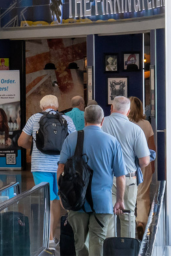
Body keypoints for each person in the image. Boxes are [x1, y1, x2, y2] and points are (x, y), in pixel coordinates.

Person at [58, 105, 126, 255]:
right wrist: (120, 200)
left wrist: (61, 194)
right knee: (98, 242)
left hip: (76, 200)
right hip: (102, 202)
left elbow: (61, 168)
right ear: (102, 121)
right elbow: (121, 176)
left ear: (84, 119)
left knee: (80, 243)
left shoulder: (71, 138)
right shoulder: (112, 142)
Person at [17, 95, 76, 245]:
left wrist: (33, 147)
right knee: (56, 200)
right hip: (60, 165)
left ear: (41, 106)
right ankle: (53, 234)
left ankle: (49, 237)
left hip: (40, 166)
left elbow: (21, 141)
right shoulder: (66, 119)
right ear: (56, 105)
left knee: (47, 199)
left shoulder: (34, 118)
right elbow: (74, 142)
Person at [102, 96, 150, 238]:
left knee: (108, 217)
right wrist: (135, 165)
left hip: (106, 179)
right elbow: (145, 160)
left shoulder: (101, 124)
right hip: (128, 178)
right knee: (128, 219)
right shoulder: (135, 129)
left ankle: (109, 250)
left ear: (111, 108)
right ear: (128, 111)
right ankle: (126, 250)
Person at [128, 96, 156, 239]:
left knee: (128, 194)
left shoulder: (125, 124)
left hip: (127, 163)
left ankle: (128, 225)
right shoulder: (146, 124)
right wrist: (153, 166)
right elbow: (152, 148)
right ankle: (141, 223)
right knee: (143, 196)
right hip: (143, 162)